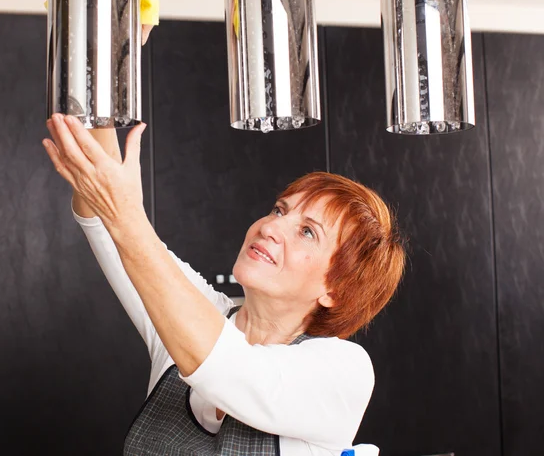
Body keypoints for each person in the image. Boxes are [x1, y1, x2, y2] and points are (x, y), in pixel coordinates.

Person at [43, 36, 405, 456]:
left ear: (335, 289)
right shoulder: (197, 311)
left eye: (307, 231)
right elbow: (109, 223)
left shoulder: (342, 371)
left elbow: (225, 367)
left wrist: (125, 213)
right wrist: (106, 52)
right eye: (279, 209)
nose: (272, 226)